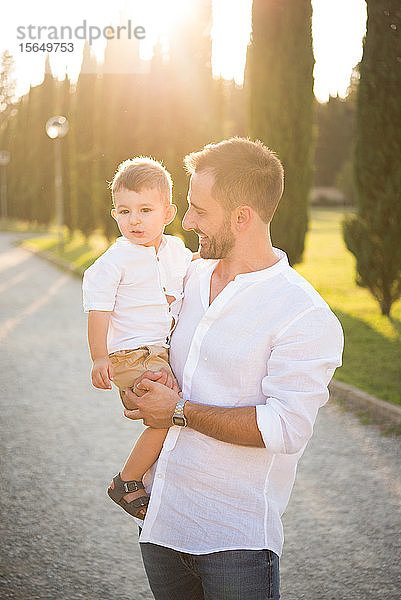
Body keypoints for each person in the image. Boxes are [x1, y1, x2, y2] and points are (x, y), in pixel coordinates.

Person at [123, 138, 344, 600]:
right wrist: (148, 383)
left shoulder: (303, 314)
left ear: (241, 217)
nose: (186, 222)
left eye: (199, 210)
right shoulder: (190, 276)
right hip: (162, 524)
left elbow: (285, 428)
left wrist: (177, 410)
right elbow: (172, 370)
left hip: (237, 542)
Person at [82, 157, 192, 520]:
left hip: (160, 352)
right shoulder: (114, 262)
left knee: (172, 410)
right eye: (125, 211)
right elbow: (98, 311)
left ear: (168, 212)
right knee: (168, 412)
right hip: (130, 355)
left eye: (146, 210)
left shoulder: (177, 251)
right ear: (115, 215)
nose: (135, 220)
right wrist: (100, 357)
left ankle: (147, 474)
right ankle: (127, 481)